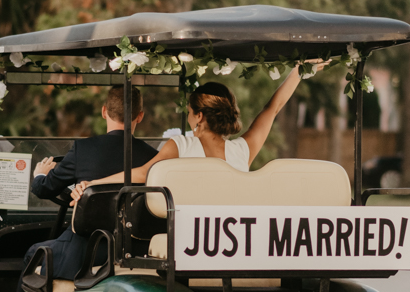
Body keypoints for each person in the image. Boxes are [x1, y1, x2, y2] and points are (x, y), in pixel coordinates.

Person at [0, 84, 157, 292]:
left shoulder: (83, 151)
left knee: (35, 251)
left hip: (84, 254)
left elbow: (43, 190)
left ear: (103, 112)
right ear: (140, 116)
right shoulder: (151, 157)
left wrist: (40, 174)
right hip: (131, 250)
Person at [70, 64, 322, 204]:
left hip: (192, 239)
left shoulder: (180, 146)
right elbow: (273, 108)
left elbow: (145, 173)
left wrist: (92, 183)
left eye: (189, 111)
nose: (189, 116)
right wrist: (299, 71)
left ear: (199, 116)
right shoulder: (242, 151)